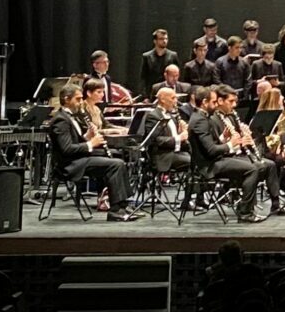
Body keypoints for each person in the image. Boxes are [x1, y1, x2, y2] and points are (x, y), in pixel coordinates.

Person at [48, 83, 141, 221]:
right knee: (115, 165)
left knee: (118, 161)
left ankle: (123, 205)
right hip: (69, 165)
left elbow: (75, 142)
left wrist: (88, 136)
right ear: (66, 99)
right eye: (78, 99)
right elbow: (67, 149)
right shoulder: (60, 120)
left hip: (77, 159)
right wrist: (91, 144)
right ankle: (115, 211)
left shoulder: (71, 116)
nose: (81, 102)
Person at [187, 86, 264, 222]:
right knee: (252, 169)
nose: (216, 105)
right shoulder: (200, 120)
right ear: (204, 102)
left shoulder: (201, 117)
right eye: (214, 102)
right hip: (209, 166)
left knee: (255, 165)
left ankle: (245, 206)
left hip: (214, 161)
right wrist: (231, 144)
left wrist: (224, 139)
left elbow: (209, 145)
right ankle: (245, 212)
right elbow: (211, 151)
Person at [211, 85, 283, 216]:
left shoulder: (232, 116)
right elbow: (214, 147)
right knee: (255, 168)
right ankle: (245, 208)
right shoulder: (212, 119)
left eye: (235, 101)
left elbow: (238, 139)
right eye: (231, 101)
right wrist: (234, 142)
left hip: (239, 155)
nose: (234, 105)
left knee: (270, 165)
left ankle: (276, 205)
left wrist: (247, 138)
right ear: (220, 101)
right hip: (225, 158)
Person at [138, 87, 192, 173]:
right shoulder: (153, 116)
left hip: (176, 152)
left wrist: (181, 131)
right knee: (192, 162)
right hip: (163, 156)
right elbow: (156, 140)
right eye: (173, 98)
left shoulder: (172, 116)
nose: (176, 101)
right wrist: (179, 138)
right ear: (163, 99)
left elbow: (173, 135)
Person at [139, 29, 180, 99]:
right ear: (155, 41)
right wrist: (145, 96)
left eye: (166, 39)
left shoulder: (173, 55)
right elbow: (143, 77)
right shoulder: (147, 56)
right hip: (152, 92)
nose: (164, 41)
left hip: (168, 92)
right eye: (161, 39)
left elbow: (177, 75)